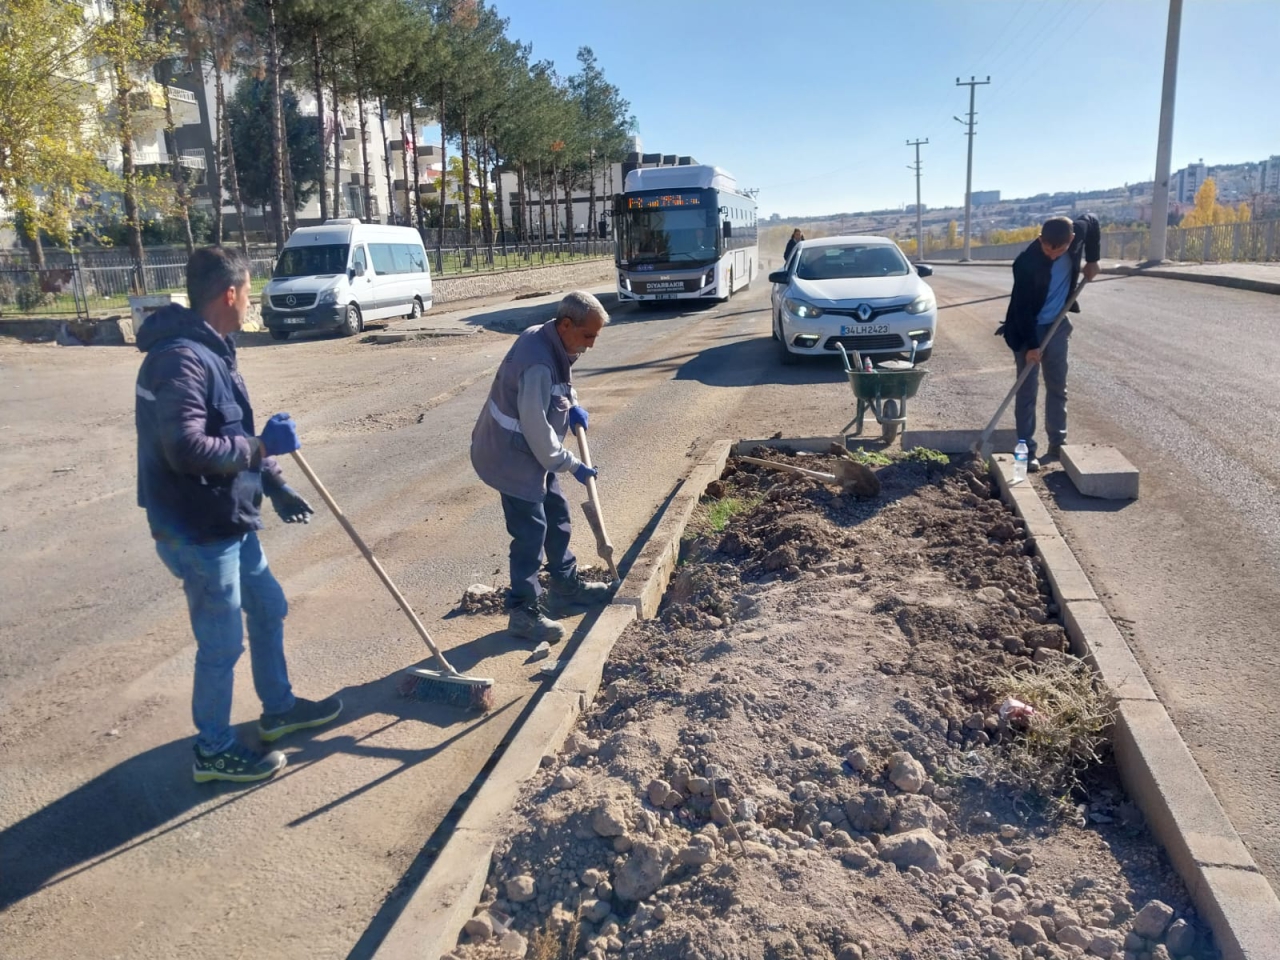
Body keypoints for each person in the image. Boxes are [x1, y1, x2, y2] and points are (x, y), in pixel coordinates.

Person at [135, 246, 342, 784]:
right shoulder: (179, 358)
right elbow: (185, 448)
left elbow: (230, 430)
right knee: (222, 642)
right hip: (197, 529)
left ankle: (278, 710)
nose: (251, 301)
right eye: (249, 291)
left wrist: (274, 482)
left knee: (268, 607)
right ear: (230, 293)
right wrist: (259, 448)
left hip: (231, 517)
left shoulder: (216, 348)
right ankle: (214, 750)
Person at [471, 291, 614, 644]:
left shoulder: (551, 339)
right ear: (567, 325)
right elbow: (538, 433)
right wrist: (574, 465)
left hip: (531, 452)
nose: (591, 345)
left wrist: (573, 404)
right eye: (588, 336)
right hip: (510, 455)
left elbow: (561, 383)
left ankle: (564, 588)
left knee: (557, 512)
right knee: (530, 532)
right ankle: (523, 611)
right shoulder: (536, 361)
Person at [997, 214, 1100, 472]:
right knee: (1027, 390)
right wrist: (1031, 346)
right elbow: (1021, 310)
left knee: (1057, 385)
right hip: (1026, 329)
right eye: (1047, 249)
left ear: (1071, 240)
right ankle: (1026, 449)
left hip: (1057, 324)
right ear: (1040, 239)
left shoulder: (1076, 234)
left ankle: (1058, 443)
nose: (1053, 255)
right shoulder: (1025, 263)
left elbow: (1093, 221)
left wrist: (1093, 260)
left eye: (1061, 250)